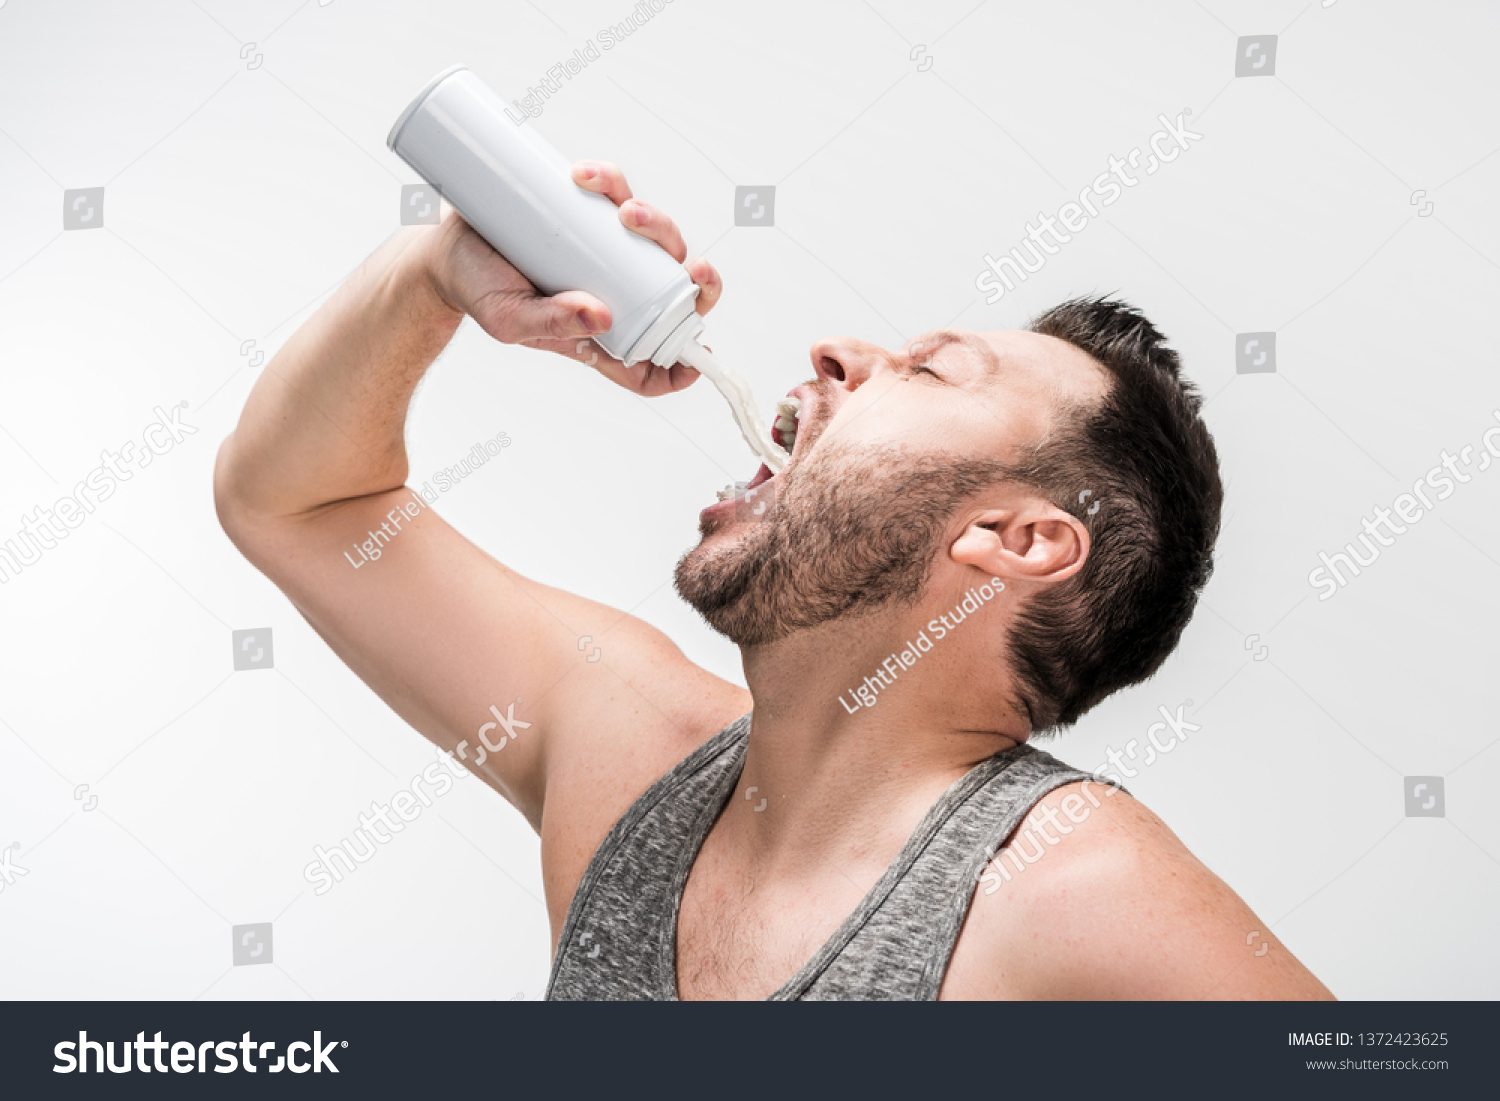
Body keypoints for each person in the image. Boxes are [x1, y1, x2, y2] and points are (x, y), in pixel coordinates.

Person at [214, 159, 1332, 1000]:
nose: (841, 353)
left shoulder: (1068, 883)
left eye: (929, 371)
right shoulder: (624, 749)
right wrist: (436, 277)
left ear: (1019, 540)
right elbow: (295, 501)